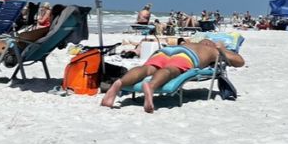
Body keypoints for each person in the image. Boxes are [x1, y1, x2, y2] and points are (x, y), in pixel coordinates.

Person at [101, 38, 245, 113]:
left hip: (166, 51)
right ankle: (151, 86)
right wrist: (222, 49)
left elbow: (239, 62)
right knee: (171, 70)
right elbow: (239, 61)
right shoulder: (212, 50)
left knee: (146, 68)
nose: (207, 41)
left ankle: (119, 83)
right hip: (187, 56)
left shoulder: (191, 43)